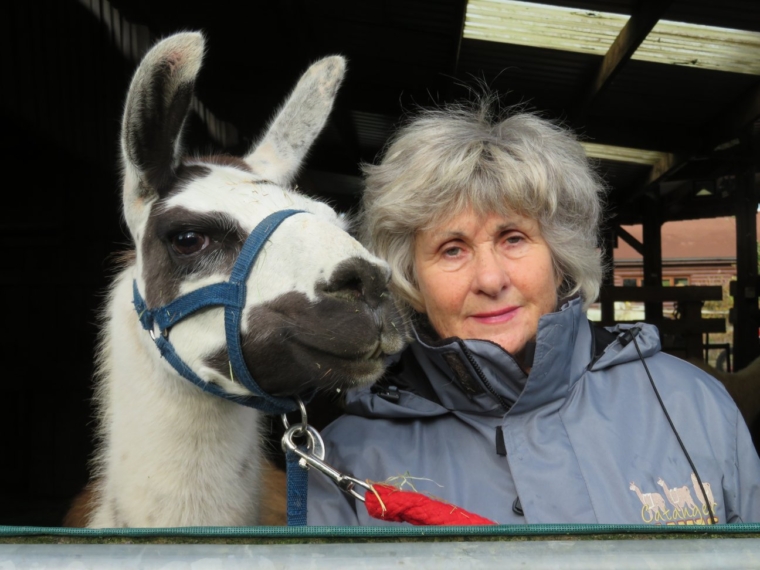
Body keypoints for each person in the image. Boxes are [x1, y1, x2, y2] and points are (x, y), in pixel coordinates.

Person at [306, 97, 760, 525]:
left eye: (514, 238)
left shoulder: (694, 406)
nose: (490, 279)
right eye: (451, 249)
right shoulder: (349, 461)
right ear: (411, 280)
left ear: (559, 256)